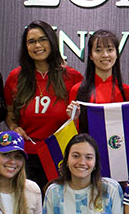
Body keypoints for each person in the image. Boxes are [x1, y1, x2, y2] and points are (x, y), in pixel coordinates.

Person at [5, 20, 82, 184]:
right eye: (31, 42)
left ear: (52, 42)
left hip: (60, 155)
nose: (37, 45)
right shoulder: (15, 77)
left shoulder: (72, 77)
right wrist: (13, 127)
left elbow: (80, 118)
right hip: (26, 156)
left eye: (42, 39)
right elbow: (9, 111)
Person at [75, 28, 129, 106]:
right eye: (98, 50)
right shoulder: (78, 90)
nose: (105, 55)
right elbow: (73, 118)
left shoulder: (127, 92)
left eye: (110, 50)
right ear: (90, 55)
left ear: (117, 54)